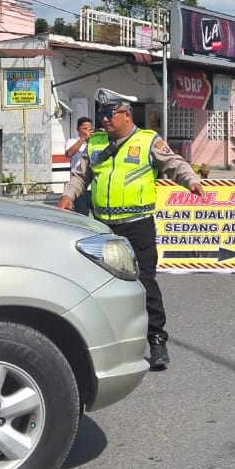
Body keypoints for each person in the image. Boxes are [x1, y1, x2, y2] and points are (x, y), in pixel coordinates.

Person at [57, 89, 204, 371]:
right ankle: (101, 341)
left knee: (144, 283)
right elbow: (81, 176)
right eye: (101, 114)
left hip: (138, 226)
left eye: (109, 114)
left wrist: (191, 180)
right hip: (103, 227)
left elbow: (174, 164)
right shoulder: (96, 143)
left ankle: (157, 340)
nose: (104, 120)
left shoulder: (148, 141)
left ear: (126, 115)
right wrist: (68, 196)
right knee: (97, 284)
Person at [63, 116, 95, 217]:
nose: (88, 131)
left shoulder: (96, 142)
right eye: (84, 129)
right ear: (78, 129)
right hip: (79, 186)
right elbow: (69, 154)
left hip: (94, 186)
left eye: (90, 129)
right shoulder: (72, 141)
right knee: (82, 216)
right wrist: (83, 139)